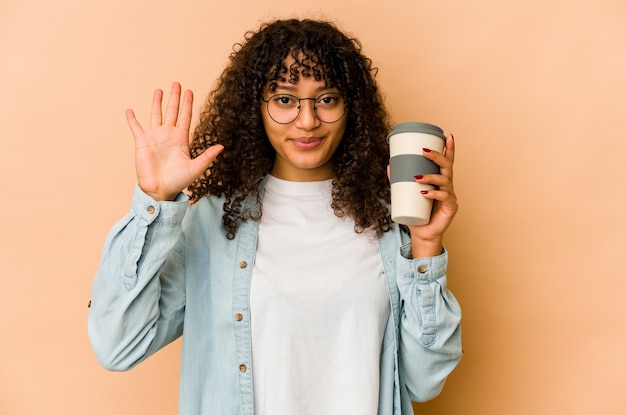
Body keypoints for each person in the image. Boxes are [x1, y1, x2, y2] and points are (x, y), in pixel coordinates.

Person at [88, 18, 462, 415]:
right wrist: (155, 202)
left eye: (327, 98)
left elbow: (423, 383)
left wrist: (425, 247)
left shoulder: (391, 226)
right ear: (257, 109)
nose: (307, 120)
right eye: (285, 99)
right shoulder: (213, 223)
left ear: (351, 107)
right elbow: (117, 346)